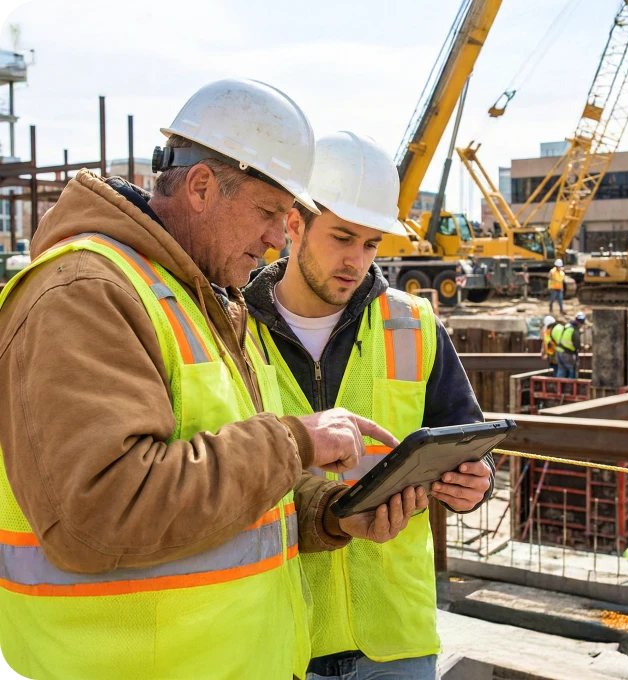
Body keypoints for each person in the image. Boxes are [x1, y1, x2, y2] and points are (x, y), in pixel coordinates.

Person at [0, 80, 419, 680]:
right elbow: (98, 512)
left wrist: (328, 513)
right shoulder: (86, 293)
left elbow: (225, 500)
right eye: (269, 212)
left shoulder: (201, 299)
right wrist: (294, 441)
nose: (279, 238)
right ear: (200, 187)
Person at [244, 132, 496, 680]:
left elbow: (464, 436)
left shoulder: (413, 325)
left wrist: (477, 483)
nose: (355, 261)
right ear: (294, 223)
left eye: (371, 244)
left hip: (395, 640)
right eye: (342, 237)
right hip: (281, 639)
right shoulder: (233, 329)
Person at [553, 311, 586, 379]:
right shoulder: (574, 331)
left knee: (561, 369)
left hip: (559, 351)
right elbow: (577, 345)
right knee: (573, 368)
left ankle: (560, 387)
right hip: (566, 353)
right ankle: (571, 386)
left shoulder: (568, 326)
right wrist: (583, 347)